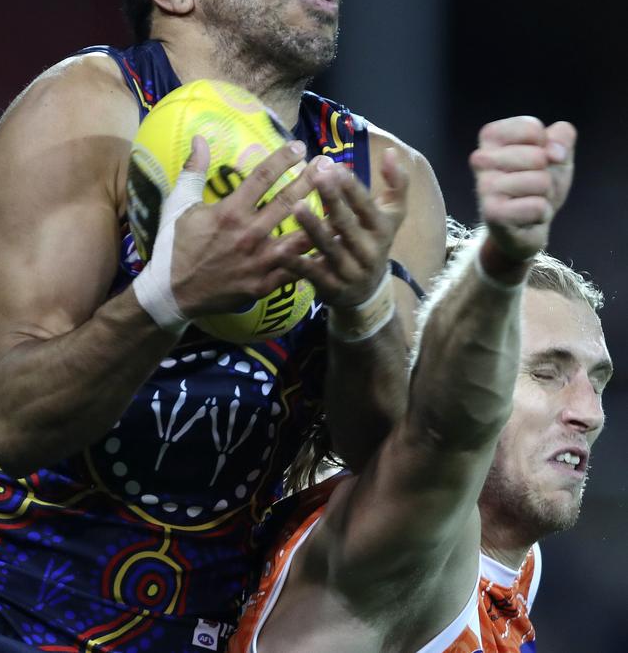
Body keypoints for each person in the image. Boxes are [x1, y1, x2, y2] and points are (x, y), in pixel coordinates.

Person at [0, 0, 446, 651]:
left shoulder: (385, 180)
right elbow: (13, 420)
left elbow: (379, 464)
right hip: (9, 617)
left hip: (216, 634)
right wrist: (168, 297)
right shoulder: (88, 113)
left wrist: (364, 310)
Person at [229, 115, 613, 653]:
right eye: (546, 374)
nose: (589, 413)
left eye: (597, 380)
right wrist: (497, 268)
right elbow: (444, 429)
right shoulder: (403, 538)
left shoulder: (512, 562)